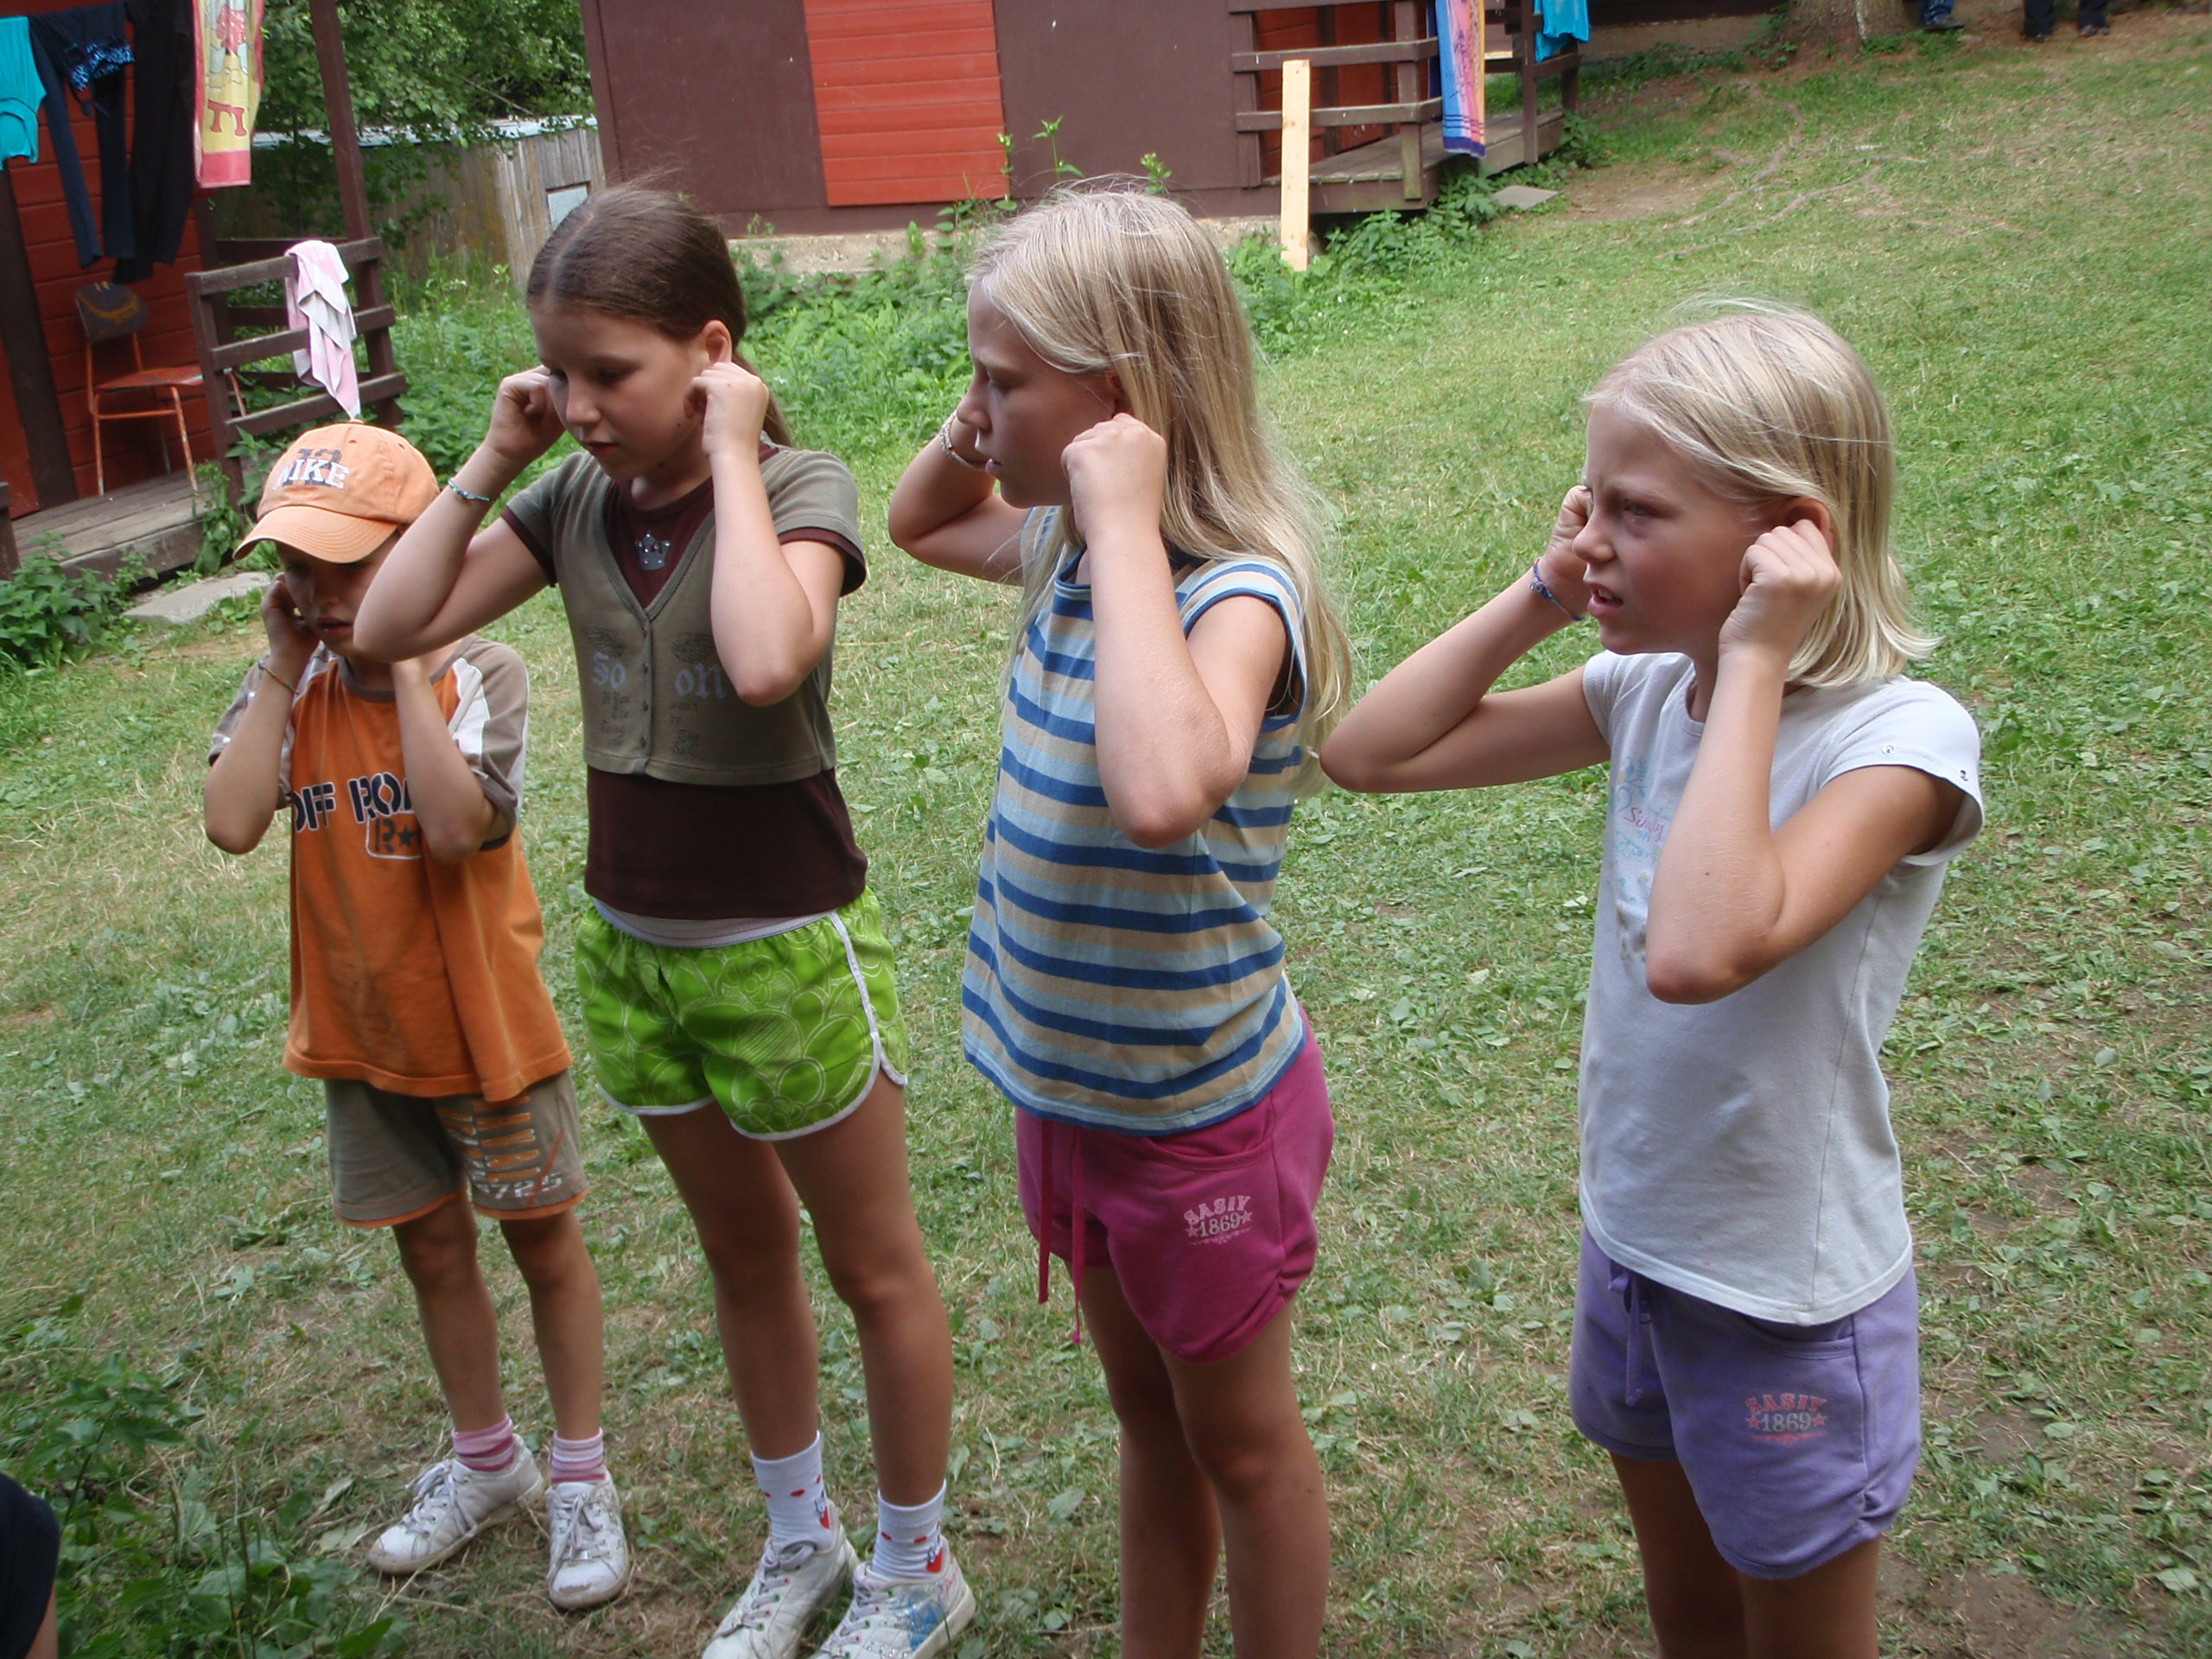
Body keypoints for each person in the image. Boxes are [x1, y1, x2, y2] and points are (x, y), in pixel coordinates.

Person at [351, 185, 965, 1659]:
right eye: (557, 374)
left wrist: (737, 451)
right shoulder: (568, 497)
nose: (576, 408)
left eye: (609, 374)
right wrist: (493, 458)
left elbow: (763, 660)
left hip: (785, 948)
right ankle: (802, 1540)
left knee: (872, 1268)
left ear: (712, 352)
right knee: (743, 1261)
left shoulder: (799, 489)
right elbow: (387, 628)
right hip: (635, 950)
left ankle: (916, 1567)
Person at [1320, 304, 1982, 1659]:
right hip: (1635, 1242)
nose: (1594, 539)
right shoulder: (1646, 693)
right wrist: (1544, 591)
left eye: (1634, 512)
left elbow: (1698, 951)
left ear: (1789, 538)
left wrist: (1755, 656)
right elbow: (1370, 753)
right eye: (1588, 505)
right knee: (1689, 1617)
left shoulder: (1900, 744)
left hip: (1783, 1297)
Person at [887, 185, 1355, 1659]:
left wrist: (1118, 514)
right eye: (975, 376)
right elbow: (919, 522)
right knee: (1150, 1429)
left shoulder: (1234, 593)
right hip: (1080, 1100)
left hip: (1195, 1118)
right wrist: (1001, 435)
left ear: (1124, 408)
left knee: (1243, 1448)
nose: (978, 414)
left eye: (1003, 381)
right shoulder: (1080, 551)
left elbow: (1161, 789)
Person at [202, 423, 629, 1610]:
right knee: (431, 1249)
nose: (319, 594)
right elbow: (232, 823)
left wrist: (399, 657)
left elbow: (453, 829)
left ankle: (580, 1474)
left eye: (350, 568)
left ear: (421, 553)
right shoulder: (291, 688)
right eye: (298, 568)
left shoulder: (475, 675)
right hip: (363, 1038)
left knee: (543, 1247)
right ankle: (487, 1461)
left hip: (488, 1035)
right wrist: (282, 666)